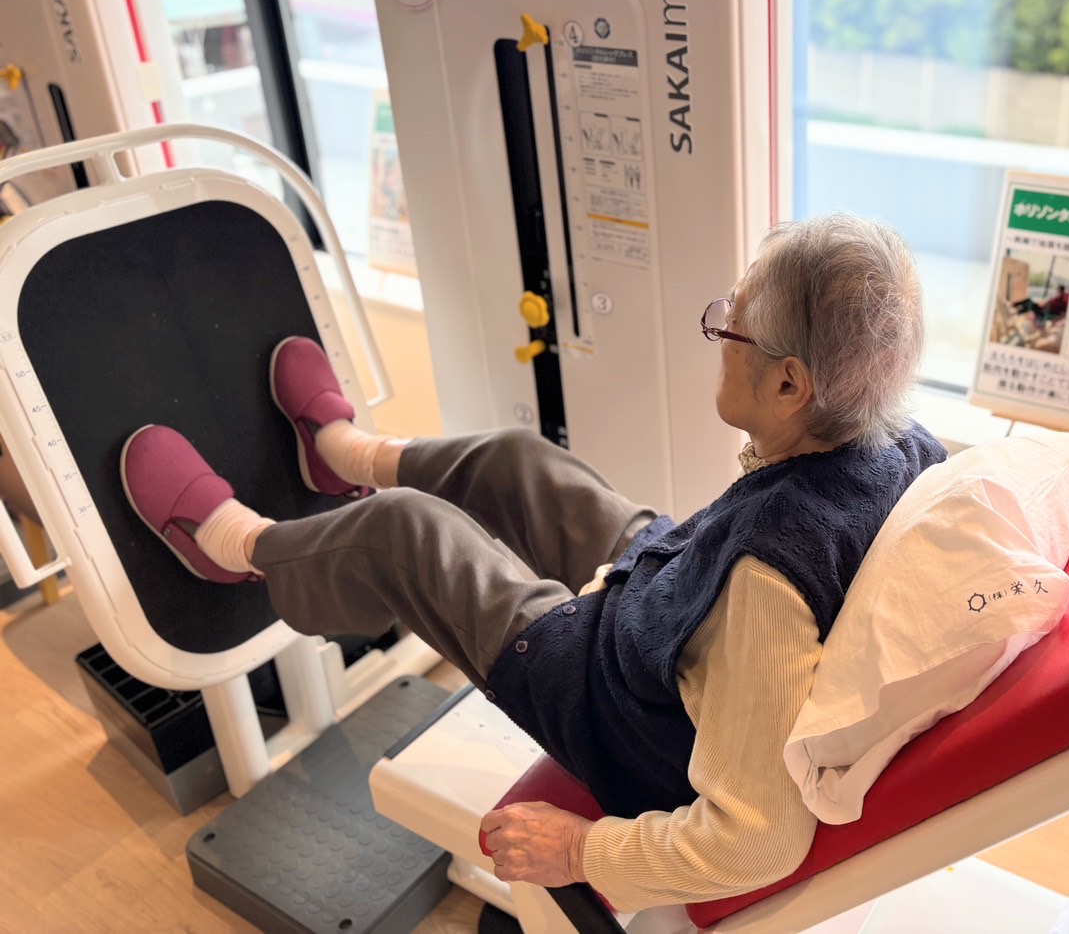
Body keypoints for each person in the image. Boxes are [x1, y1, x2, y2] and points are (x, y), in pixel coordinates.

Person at [120, 213, 946, 912]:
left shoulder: (765, 586)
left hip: (619, 711)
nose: (720, 335)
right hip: (675, 610)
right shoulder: (897, 444)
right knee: (520, 462)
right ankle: (342, 455)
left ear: (790, 387)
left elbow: (758, 840)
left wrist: (583, 851)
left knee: (402, 533)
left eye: (731, 325)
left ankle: (235, 550)